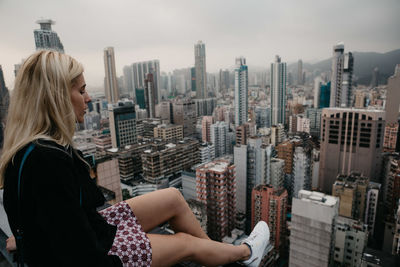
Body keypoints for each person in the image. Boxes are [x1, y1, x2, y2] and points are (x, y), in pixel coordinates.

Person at [0, 50, 270, 267]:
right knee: (186, 244)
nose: (88, 97)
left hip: (93, 230)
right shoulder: (47, 161)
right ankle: (245, 254)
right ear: (56, 97)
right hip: (99, 254)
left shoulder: (35, 149)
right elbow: (79, 253)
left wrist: (25, 241)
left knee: (173, 198)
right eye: (81, 91)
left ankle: (214, 255)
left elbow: (46, 218)